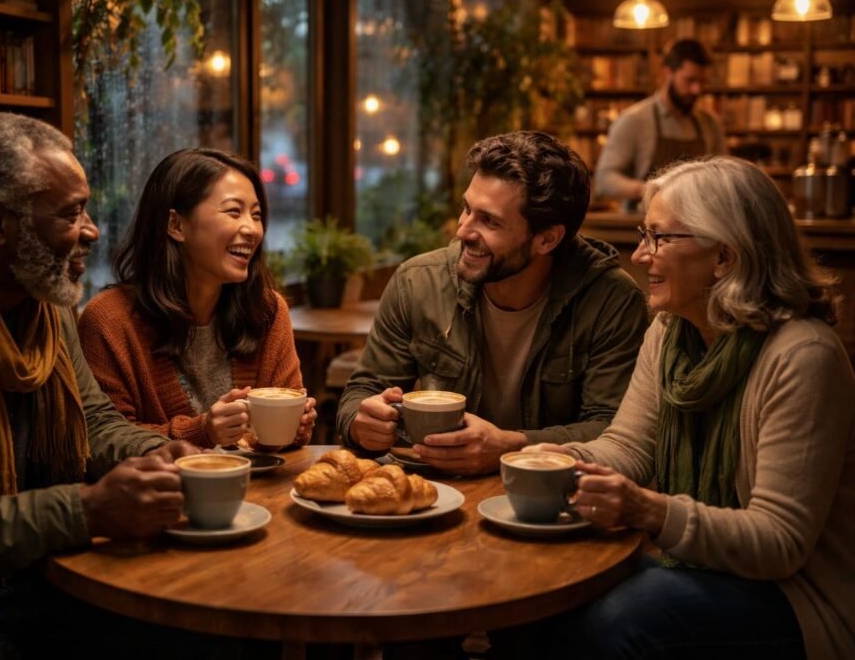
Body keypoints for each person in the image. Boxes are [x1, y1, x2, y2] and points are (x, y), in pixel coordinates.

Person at [0, 114, 264, 659]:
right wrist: (87, 511)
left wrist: (165, 454)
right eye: (70, 212)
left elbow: (94, 425)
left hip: (47, 566)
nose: (92, 230)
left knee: (213, 625)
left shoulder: (40, 306)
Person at [498, 156, 855, 659]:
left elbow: (779, 543)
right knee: (536, 585)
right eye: (645, 235)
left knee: (625, 618)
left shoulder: (802, 357)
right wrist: (542, 460)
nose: (640, 256)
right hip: (696, 567)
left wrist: (649, 509)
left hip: (800, 599)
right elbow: (628, 447)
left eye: (660, 238)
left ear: (725, 257)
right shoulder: (670, 333)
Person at [338, 131, 649, 476]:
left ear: (547, 238)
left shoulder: (612, 301)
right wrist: (361, 422)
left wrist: (512, 445)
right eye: (467, 209)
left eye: (489, 221)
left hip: (553, 501)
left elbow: (612, 430)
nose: (463, 231)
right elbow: (360, 393)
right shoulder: (417, 282)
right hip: (438, 491)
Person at [78, 148, 315, 450]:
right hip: (162, 496)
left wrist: (293, 426)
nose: (252, 229)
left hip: (255, 491)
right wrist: (202, 431)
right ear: (176, 225)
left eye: (256, 215)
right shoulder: (109, 320)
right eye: (233, 211)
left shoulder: (266, 310)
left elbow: (278, 437)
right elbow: (102, 444)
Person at [595, 38, 726, 211]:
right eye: (690, 80)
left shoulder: (710, 124)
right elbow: (604, 180)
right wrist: (646, 189)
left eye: (702, 82)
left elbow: (724, 178)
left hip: (697, 224)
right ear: (668, 73)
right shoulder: (633, 120)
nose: (697, 90)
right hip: (644, 224)